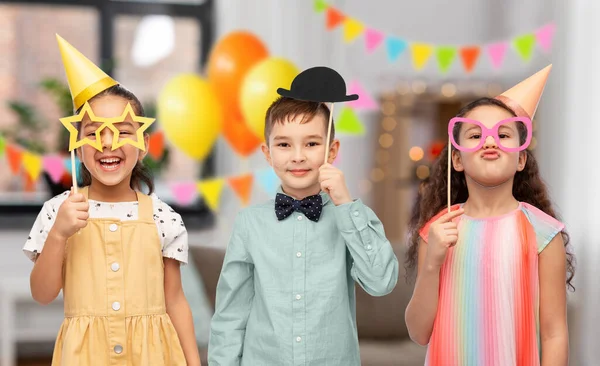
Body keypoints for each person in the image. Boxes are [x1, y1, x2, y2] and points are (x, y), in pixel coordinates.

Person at [23, 34, 201, 365]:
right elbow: (43, 294)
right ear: (76, 143)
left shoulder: (165, 218)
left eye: (122, 130)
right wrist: (60, 234)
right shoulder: (57, 212)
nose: (107, 143)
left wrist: (193, 362)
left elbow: (175, 300)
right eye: (93, 132)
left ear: (144, 142)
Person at [208, 67, 399, 365]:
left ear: (332, 151)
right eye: (284, 144)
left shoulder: (353, 215)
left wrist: (345, 204)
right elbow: (230, 314)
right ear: (268, 154)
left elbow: (382, 281)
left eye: (311, 143)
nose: (298, 156)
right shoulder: (249, 224)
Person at [405, 65, 574, 365]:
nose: (490, 140)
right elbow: (418, 333)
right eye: (475, 134)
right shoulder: (438, 230)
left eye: (504, 134)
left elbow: (554, 334)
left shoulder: (544, 233)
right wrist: (432, 264)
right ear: (457, 158)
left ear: (521, 158)